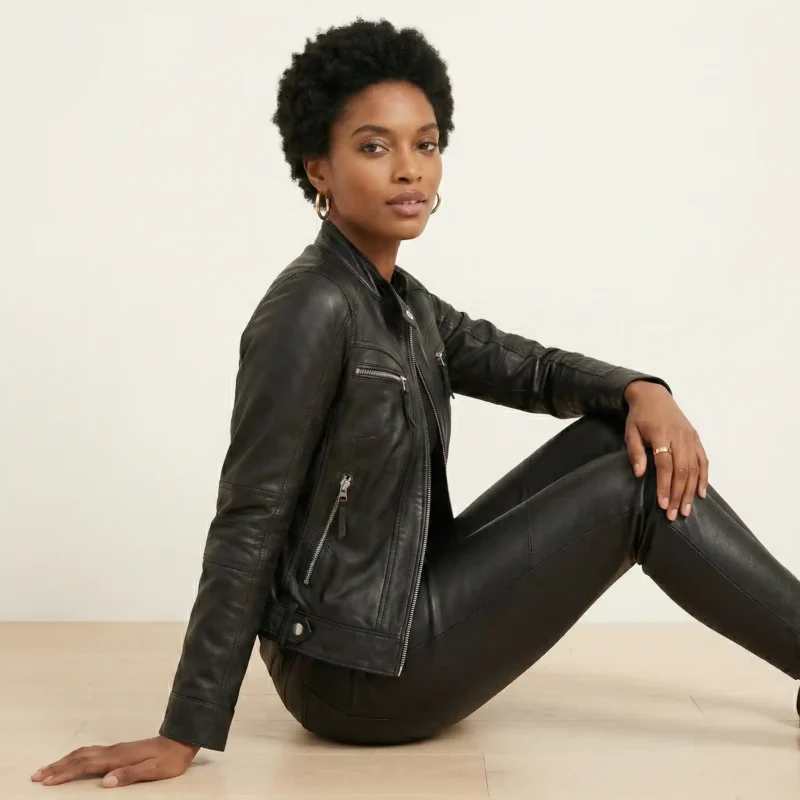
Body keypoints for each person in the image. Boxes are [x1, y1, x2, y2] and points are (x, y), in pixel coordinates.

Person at [32, 17, 800, 790]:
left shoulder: (401, 303)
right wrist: (184, 730)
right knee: (632, 485)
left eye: (426, 145)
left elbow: (529, 369)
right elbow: (250, 515)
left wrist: (643, 389)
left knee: (614, 435)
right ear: (318, 170)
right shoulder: (311, 309)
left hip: (399, 613)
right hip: (355, 674)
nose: (410, 170)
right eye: (374, 146)